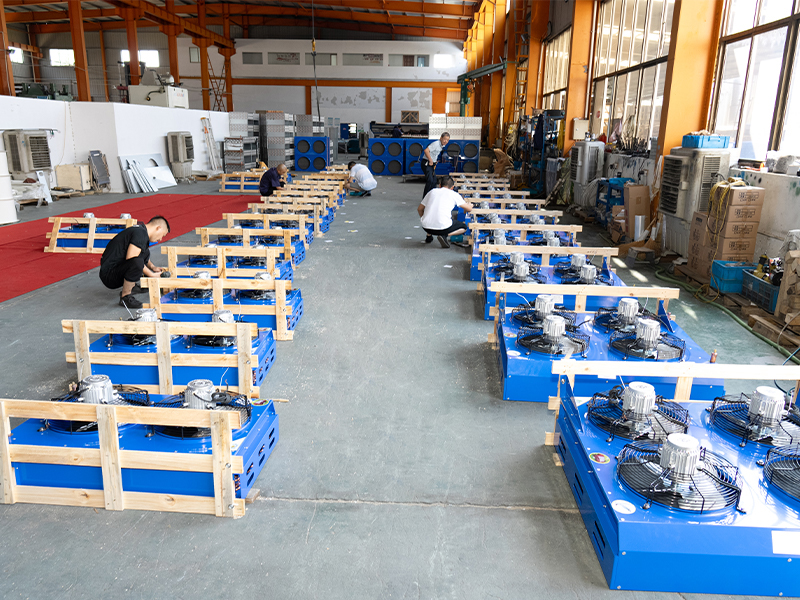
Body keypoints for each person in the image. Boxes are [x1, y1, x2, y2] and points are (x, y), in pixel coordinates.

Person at [99, 216, 170, 309]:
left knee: (144, 252)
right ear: (158, 228)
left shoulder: (141, 231)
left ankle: (132, 286)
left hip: (115, 268)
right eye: (162, 235)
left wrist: (153, 267)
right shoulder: (140, 234)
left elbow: (141, 253)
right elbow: (132, 257)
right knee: (137, 262)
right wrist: (152, 275)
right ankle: (125, 297)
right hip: (109, 275)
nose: (160, 239)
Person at [417, 176, 472, 248]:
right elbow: (469, 209)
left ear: (440, 185)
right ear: (452, 187)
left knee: (431, 217)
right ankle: (445, 235)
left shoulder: (432, 191)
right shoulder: (454, 194)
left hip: (426, 227)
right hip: (443, 228)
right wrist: (470, 205)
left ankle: (429, 235)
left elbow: (419, 209)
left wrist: (424, 218)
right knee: (464, 227)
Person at [421, 132, 450, 198]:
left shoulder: (441, 145)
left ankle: (432, 197)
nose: (446, 141)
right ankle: (425, 199)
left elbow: (434, 153)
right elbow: (426, 150)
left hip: (431, 164)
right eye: (444, 139)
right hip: (426, 163)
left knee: (434, 181)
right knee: (430, 180)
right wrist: (430, 160)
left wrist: (434, 161)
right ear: (441, 138)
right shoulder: (436, 144)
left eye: (447, 140)